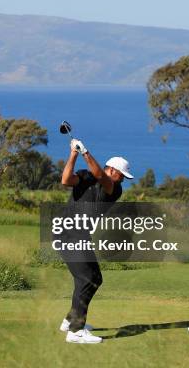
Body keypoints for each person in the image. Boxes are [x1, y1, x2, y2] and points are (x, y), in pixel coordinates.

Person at [59, 138, 133, 344]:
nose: (123, 180)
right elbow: (65, 180)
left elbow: (101, 176)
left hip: (78, 236)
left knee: (92, 279)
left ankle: (71, 320)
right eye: (122, 175)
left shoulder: (114, 189)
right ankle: (75, 331)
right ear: (113, 170)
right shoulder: (84, 176)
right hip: (68, 234)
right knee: (87, 279)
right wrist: (74, 153)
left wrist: (85, 152)